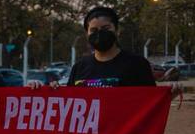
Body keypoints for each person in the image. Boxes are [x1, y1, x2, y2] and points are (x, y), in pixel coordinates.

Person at [28, 7, 182, 96]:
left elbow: (148, 106)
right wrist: (44, 91)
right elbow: (69, 106)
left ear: (117, 31)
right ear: (86, 33)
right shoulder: (79, 67)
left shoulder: (137, 64)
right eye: (93, 30)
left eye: (106, 29)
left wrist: (169, 96)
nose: (99, 33)